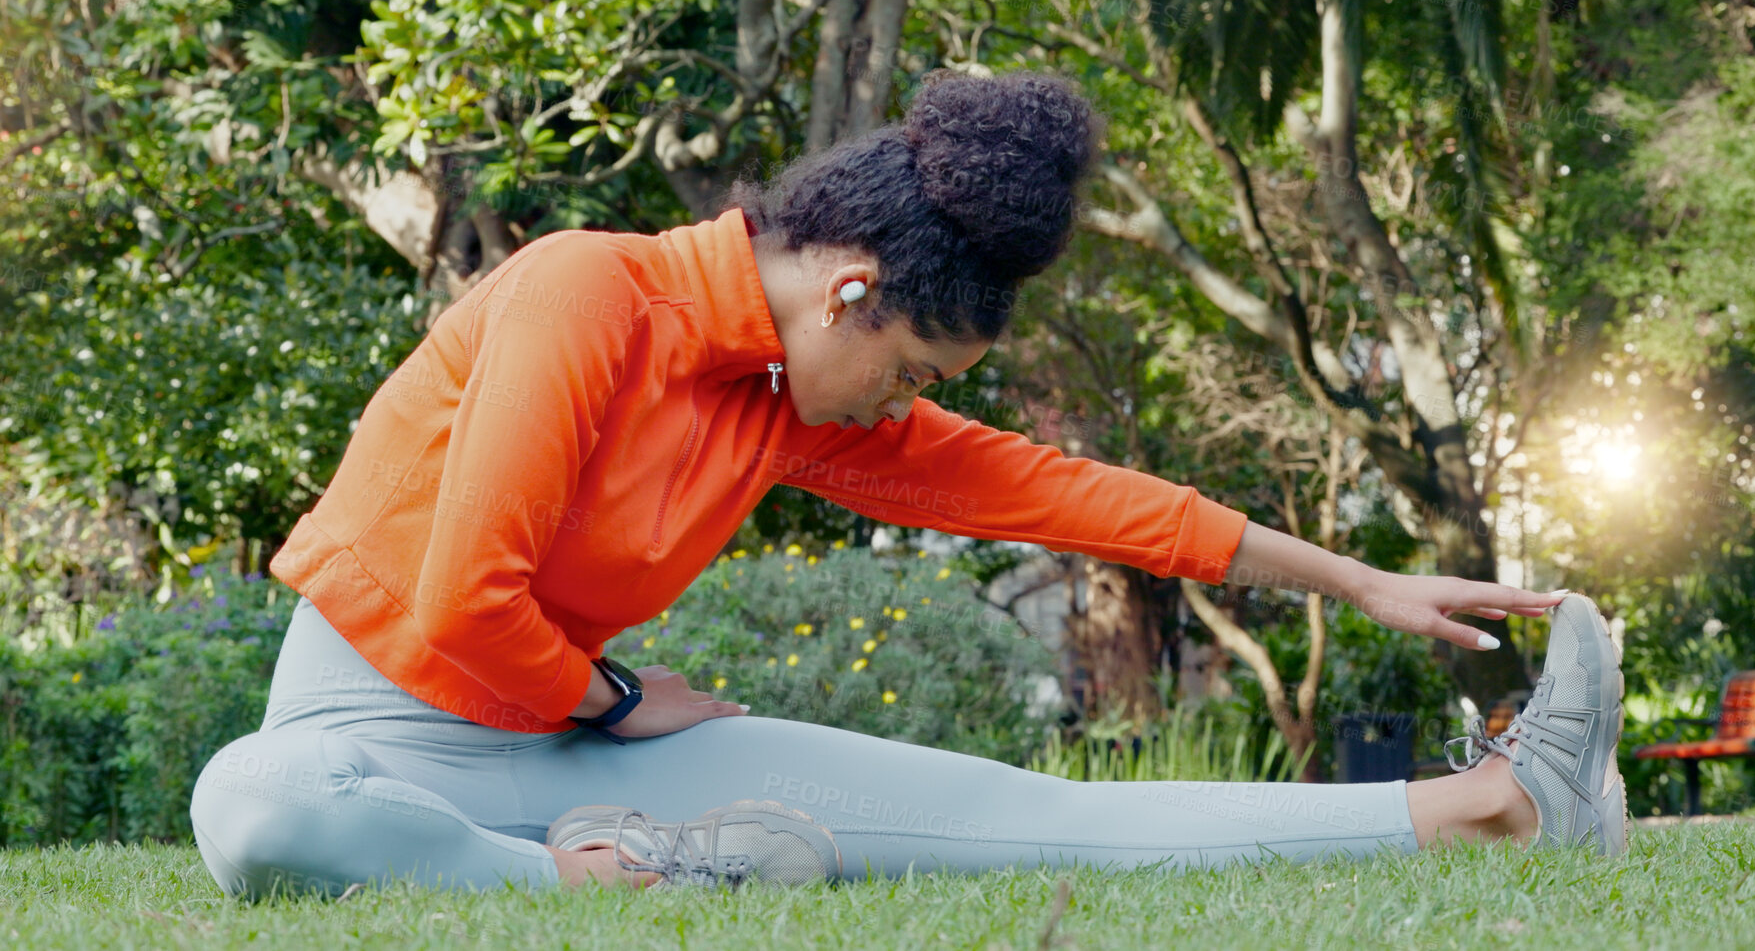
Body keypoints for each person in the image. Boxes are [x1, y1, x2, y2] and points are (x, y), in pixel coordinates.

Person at [189, 69, 1625, 899]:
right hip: (371, 733)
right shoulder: (583, 294)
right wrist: (619, 697)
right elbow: (456, 604)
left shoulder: (789, 405)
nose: (906, 406)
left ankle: (1493, 805)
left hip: (588, 755)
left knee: (1026, 815)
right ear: (852, 292)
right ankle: (582, 878)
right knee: (251, 809)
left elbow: (1062, 497)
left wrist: (1358, 578)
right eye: (911, 372)